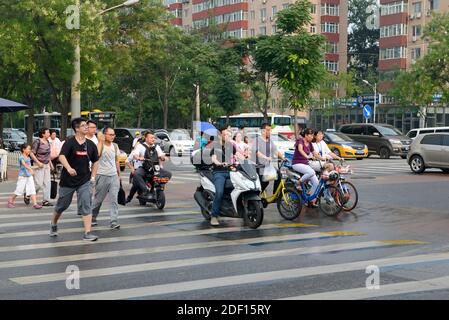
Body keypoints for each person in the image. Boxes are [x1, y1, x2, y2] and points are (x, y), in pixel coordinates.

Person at [49, 117, 100, 241]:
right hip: (68, 181)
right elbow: (61, 156)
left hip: (85, 180)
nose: (86, 127)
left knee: (86, 204)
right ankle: (54, 224)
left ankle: (87, 233)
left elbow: (96, 161)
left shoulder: (90, 144)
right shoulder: (70, 142)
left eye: (87, 126)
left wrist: (93, 176)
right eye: (84, 126)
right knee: (62, 205)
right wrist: (69, 168)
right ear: (77, 128)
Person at [91, 127, 121, 229]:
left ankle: (114, 221)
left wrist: (119, 174)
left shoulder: (115, 146)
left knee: (114, 200)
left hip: (113, 176)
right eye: (110, 134)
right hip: (102, 175)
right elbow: (96, 156)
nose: (113, 137)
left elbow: (116, 160)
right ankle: (92, 217)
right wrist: (100, 141)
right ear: (104, 135)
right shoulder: (100, 145)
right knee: (98, 200)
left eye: (114, 135)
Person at [132, 130, 171, 199]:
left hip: (155, 168)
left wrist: (164, 158)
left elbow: (162, 156)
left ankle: (157, 188)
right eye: (151, 138)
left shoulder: (157, 147)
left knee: (168, 174)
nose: (153, 139)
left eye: (154, 138)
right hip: (145, 168)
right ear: (146, 138)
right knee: (136, 174)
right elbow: (135, 154)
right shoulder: (140, 146)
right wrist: (138, 157)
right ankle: (145, 190)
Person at [209, 127, 236, 226]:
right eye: (226, 134)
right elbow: (214, 159)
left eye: (229, 134)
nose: (228, 136)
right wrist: (219, 163)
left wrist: (247, 160)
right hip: (219, 172)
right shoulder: (215, 146)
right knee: (219, 192)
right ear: (220, 135)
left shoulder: (231, 146)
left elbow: (237, 156)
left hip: (230, 172)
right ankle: (214, 216)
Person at [251, 123, 285, 193]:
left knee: (279, 176)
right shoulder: (257, 140)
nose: (270, 132)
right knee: (264, 182)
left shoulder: (270, 141)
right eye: (268, 130)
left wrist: (283, 158)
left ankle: (275, 195)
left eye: (270, 130)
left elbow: (275, 150)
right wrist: (265, 157)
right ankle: (257, 197)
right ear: (263, 131)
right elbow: (257, 152)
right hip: (258, 166)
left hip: (268, 166)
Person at [8, 144, 42, 209]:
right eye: (28, 149)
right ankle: (11, 201)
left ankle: (35, 204)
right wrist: (30, 170)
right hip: (22, 177)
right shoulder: (21, 157)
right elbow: (25, 165)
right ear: (24, 149)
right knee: (19, 190)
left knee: (32, 189)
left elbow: (29, 166)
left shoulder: (28, 158)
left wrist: (37, 166)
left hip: (29, 176)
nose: (30, 150)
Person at [291, 128, 319, 208]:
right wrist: (307, 156)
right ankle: (298, 183)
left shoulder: (310, 144)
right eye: (310, 135)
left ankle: (310, 200)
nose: (312, 137)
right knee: (311, 172)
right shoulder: (300, 141)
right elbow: (300, 150)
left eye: (313, 135)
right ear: (306, 135)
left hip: (305, 164)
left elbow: (315, 154)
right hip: (297, 163)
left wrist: (323, 158)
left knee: (316, 183)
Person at [30, 127, 53, 206]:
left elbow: (48, 154)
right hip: (38, 165)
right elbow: (31, 153)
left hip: (46, 165)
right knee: (39, 184)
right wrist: (38, 162)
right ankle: (29, 193)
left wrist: (51, 164)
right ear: (43, 134)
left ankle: (45, 200)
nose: (49, 134)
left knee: (47, 183)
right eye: (47, 132)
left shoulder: (48, 142)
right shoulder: (37, 142)